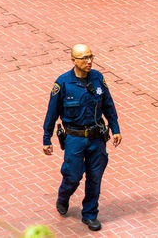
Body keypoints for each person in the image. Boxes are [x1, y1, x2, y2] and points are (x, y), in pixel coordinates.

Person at [42, 44, 122, 231]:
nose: (89, 61)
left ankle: (90, 214)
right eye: (84, 58)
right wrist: (47, 139)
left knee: (95, 177)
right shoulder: (62, 83)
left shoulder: (98, 78)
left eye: (91, 57)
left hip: (96, 138)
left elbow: (109, 105)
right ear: (73, 60)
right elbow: (51, 114)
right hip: (74, 138)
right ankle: (63, 196)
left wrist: (115, 128)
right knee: (73, 176)